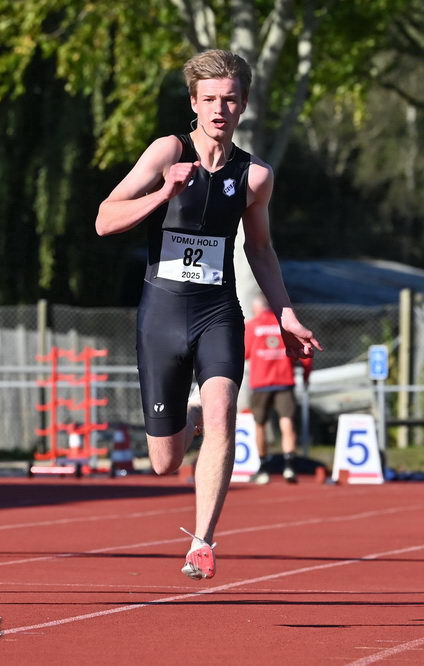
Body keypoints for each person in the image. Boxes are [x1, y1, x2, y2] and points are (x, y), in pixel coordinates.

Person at [95, 49, 321, 580]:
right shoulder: (167, 151)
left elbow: (260, 251)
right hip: (161, 313)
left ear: (242, 106)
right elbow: (105, 220)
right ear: (194, 104)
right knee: (165, 461)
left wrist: (286, 314)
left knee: (224, 415)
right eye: (210, 100)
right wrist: (164, 191)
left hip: (218, 311)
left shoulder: (254, 177)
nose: (220, 109)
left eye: (230, 100)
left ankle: (202, 541)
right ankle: (187, 419)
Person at [245, 293, 312, 484]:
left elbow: (245, 352)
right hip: (284, 380)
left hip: (261, 383)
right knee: (286, 421)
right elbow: (304, 351)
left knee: (260, 425)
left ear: (256, 308)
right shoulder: (284, 325)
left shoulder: (252, 326)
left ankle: (263, 467)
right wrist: (306, 376)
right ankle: (289, 466)